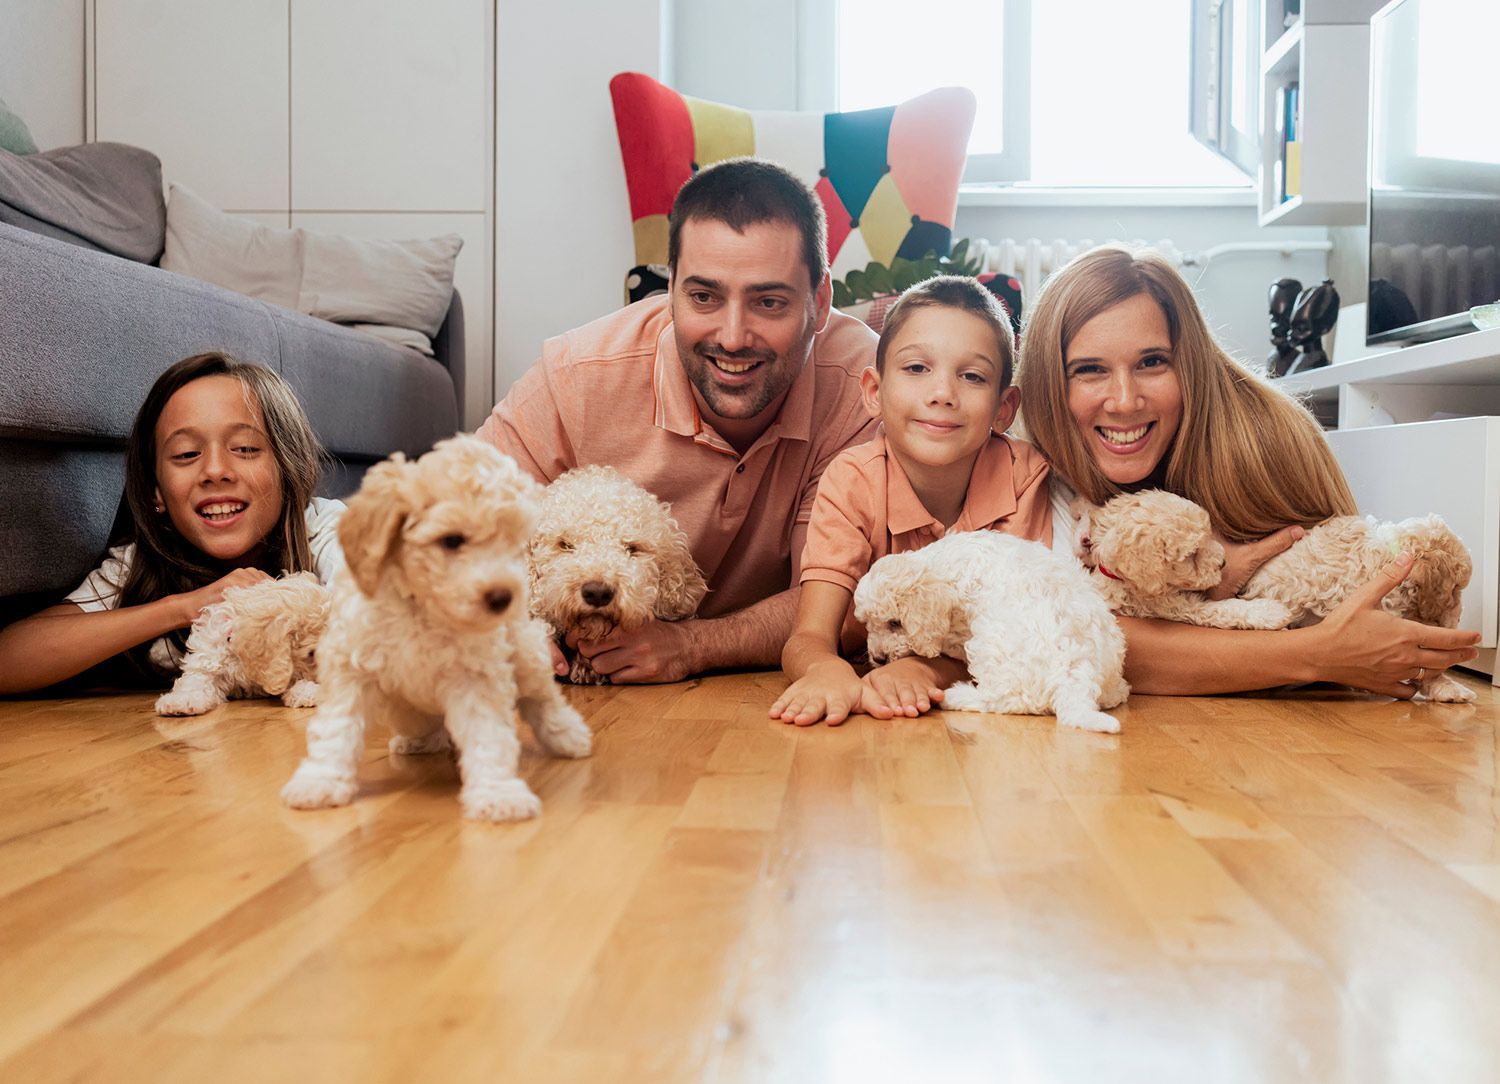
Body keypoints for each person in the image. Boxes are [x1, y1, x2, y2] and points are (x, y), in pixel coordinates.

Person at [477, 158, 879, 683]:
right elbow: (450, 533)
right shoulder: (576, 375)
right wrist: (509, 624)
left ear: (820, 301)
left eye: (769, 301)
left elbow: (854, 603)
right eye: (704, 296)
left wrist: (693, 645)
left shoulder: (867, 388)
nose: (733, 336)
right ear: (670, 292)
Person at [1017, 245, 1480, 697]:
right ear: (1049, 382)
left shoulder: (1263, 437)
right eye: (1090, 370)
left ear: (1190, 361)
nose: (1124, 400)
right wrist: (1309, 650)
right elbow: (1078, 638)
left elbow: (1345, 623)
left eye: (1152, 362)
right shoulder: (1035, 464)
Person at [771, 275, 1052, 726]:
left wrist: (928, 669)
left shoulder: (1025, 476)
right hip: (871, 678)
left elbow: (1018, 631)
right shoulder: (851, 480)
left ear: (1004, 408)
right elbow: (808, 635)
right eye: (917, 368)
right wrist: (825, 670)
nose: (942, 394)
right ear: (874, 392)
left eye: (972, 376)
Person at [0, 353, 344, 694]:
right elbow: (8, 663)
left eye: (245, 448)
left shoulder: (326, 530)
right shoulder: (141, 564)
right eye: (186, 454)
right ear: (157, 492)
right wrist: (183, 607)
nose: (214, 470)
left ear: (290, 467)